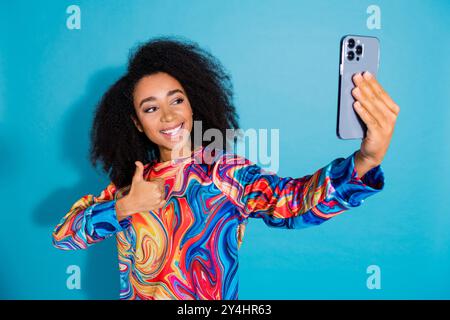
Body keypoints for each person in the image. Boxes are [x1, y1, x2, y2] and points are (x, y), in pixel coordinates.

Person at [51, 36, 399, 300]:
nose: (170, 116)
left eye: (176, 100)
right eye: (151, 108)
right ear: (137, 124)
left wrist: (365, 161)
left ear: (193, 104)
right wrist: (126, 206)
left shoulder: (227, 173)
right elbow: (64, 237)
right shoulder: (128, 188)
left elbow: (294, 203)